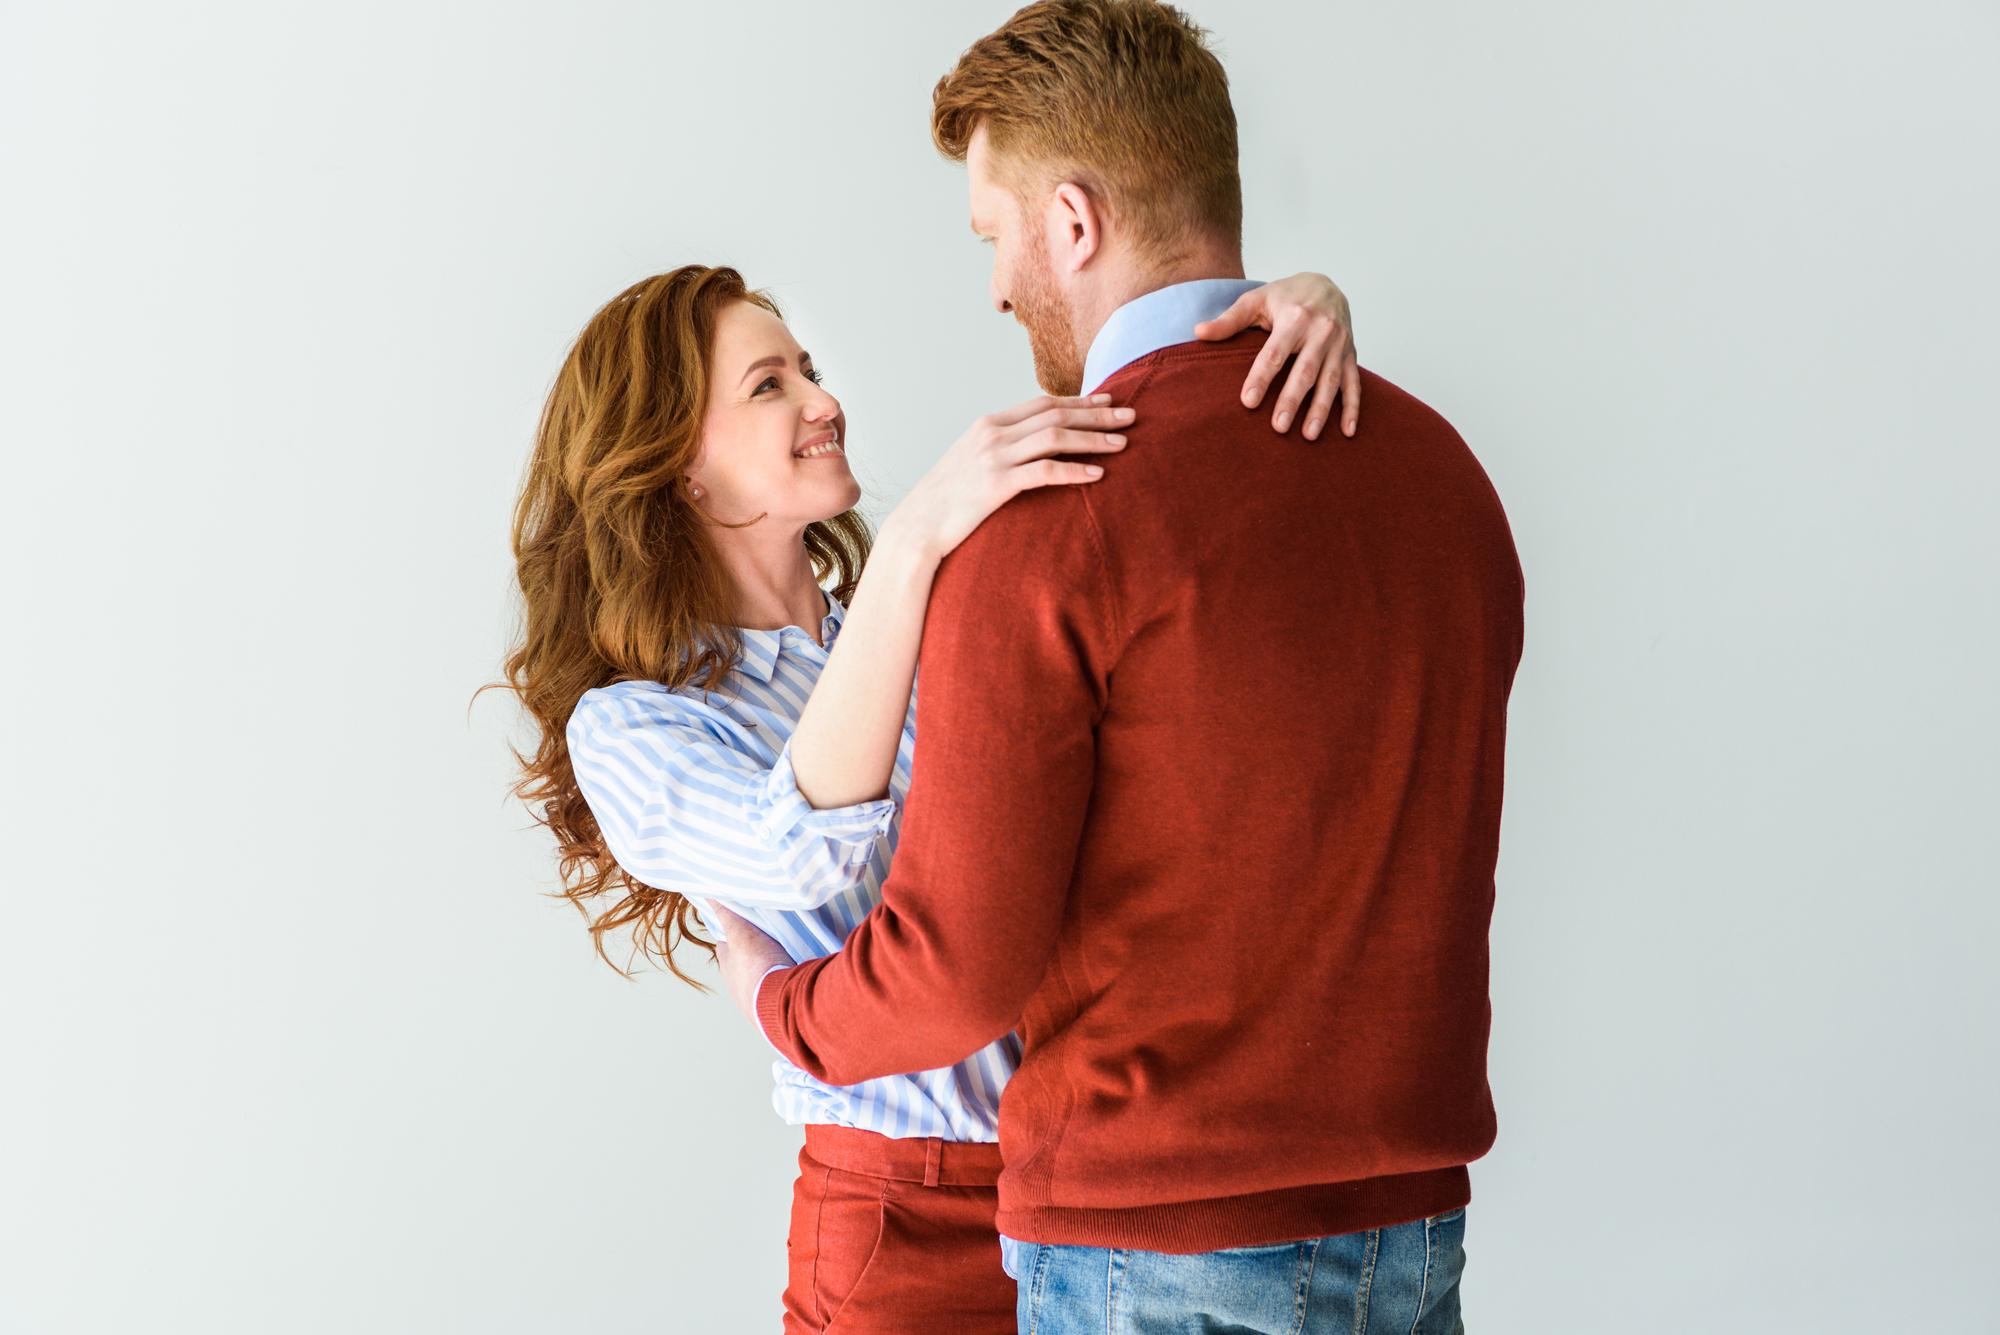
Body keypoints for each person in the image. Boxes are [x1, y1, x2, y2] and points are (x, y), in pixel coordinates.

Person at [712, 3, 1526, 1334]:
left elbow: (953, 968)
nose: (992, 284)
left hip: (1149, 1253)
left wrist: (782, 1004)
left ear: (1073, 223)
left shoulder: (1046, 518)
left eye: (995, 234)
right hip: (1412, 1229)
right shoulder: (1445, 475)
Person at [502, 260, 1359, 1333]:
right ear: (680, 468)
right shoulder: (636, 725)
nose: (824, 400)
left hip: (1087, 1189)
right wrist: (914, 537)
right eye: (769, 386)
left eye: (806, 368)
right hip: (900, 1220)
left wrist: (1282, 313)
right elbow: (802, 850)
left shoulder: (933, 609)